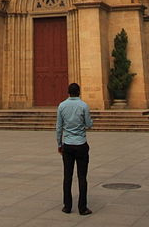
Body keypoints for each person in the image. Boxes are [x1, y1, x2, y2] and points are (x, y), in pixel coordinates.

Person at [55, 82, 93, 215]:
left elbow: (59, 127)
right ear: (79, 92)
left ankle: (67, 206)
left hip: (68, 145)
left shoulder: (62, 106)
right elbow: (89, 124)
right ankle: (82, 208)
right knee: (82, 177)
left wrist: (59, 144)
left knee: (67, 176)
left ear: (68, 92)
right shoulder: (84, 106)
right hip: (81, 144)